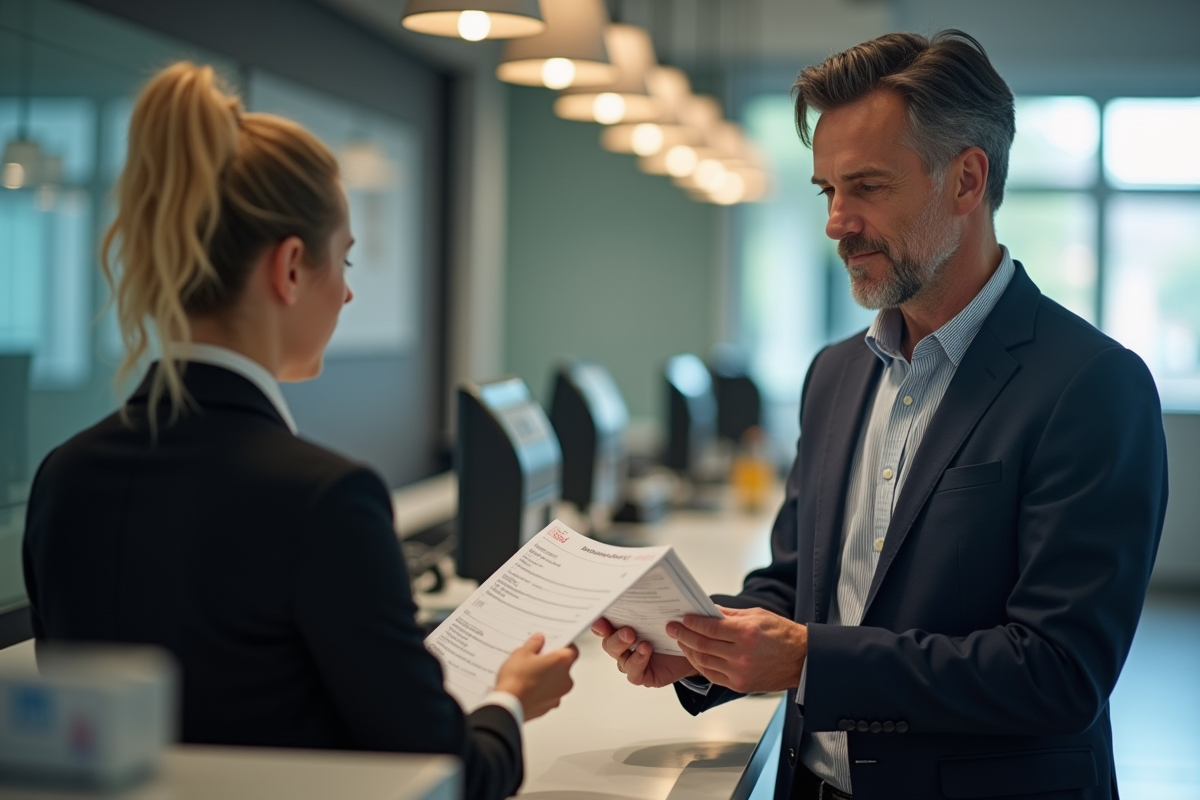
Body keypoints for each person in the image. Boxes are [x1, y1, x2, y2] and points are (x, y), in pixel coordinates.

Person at [593, 30, 1167, 800]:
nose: (837, 222)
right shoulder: (836, 374)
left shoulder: (1092, 385)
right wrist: (699, 647)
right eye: (827, 191)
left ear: (966, 181)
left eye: (866, 187)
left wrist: (809, 661)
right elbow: (799, 586)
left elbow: (1059, 672)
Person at [22, 62, 577, 800]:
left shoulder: (63, 477)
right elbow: (453, 775)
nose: (346, 292)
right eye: (342, 260)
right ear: (288, 267)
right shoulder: (326, 500)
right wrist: (509, 700)